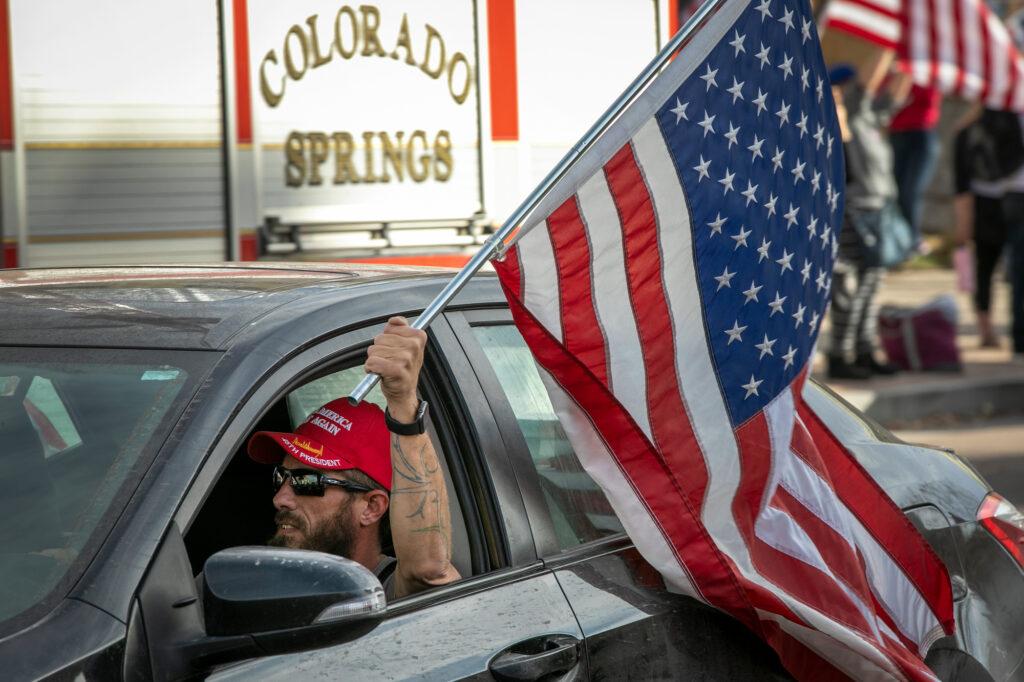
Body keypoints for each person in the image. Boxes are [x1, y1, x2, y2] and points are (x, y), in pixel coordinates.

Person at [246, 316, 461, 599]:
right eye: (280, 477)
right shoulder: (248, 580)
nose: (281, 498)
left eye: (306, 481)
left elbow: (428, 574)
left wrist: (404, 403)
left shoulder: (391, 591)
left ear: (371, 507)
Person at [827, 64, 902, 379]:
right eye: (836, 90)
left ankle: (863, 349)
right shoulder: (837, 124)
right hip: (850, 213)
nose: (840, 96)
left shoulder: (861, 121)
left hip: (875, 210)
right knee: (847, 287)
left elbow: (890, 102)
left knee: (870, 283)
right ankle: (840, 354)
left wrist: (908, 69)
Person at [952, 105, 1010, 348]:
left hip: (1007, 200)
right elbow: (962, 179)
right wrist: (963, 220)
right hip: (985, 204)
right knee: (984, 267)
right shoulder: (970, 130)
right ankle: (985, 327)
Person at [889, 84, 943, 253]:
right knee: (895, 191)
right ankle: (898, 240)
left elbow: (928, 98)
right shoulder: (894, 74)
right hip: (897, 133)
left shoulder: (925, 72)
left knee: (911, 190)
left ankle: (913, 239)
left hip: (921, 135)